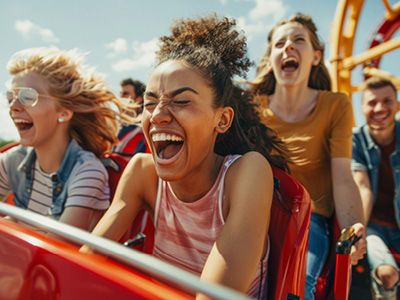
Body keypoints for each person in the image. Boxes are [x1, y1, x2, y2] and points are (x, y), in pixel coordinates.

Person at [83, 15, 289, 299]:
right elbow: (86, 260)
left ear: (222, 119)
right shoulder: (142, 172)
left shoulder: (247, 172)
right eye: (150, 102)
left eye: (181, 101)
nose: (157, 115)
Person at [250, 13, 366, 300]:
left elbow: (342, 177)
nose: (288, 47)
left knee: (297, 287)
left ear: (316, 57)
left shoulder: (336, 105)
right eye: (280, 44)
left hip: (307, 220)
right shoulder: (251, 107)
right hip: (251, 212)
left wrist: (352, 230)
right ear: (271, 58)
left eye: (298, 40)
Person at [0, 47, 129, 231]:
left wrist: (11, 223)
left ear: (63, 112)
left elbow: (57, 249)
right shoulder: (13, 161)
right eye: (10, 96)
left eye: (27, 96)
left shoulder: (87, 172)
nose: (13, 106)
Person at [352, 76, 400, 300]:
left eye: (387, 101)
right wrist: (358, 233)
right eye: (372, 102)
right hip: (374, 227)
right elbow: (363, 188)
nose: (380, 108)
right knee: (388, 275)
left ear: (397, 105)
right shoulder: (355, 140)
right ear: (362, 108)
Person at [114, 78, 149, 154]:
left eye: (125, 94)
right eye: (120, 93)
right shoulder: (111, 127)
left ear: (138, 99)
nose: (120, 97)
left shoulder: (145, 130)